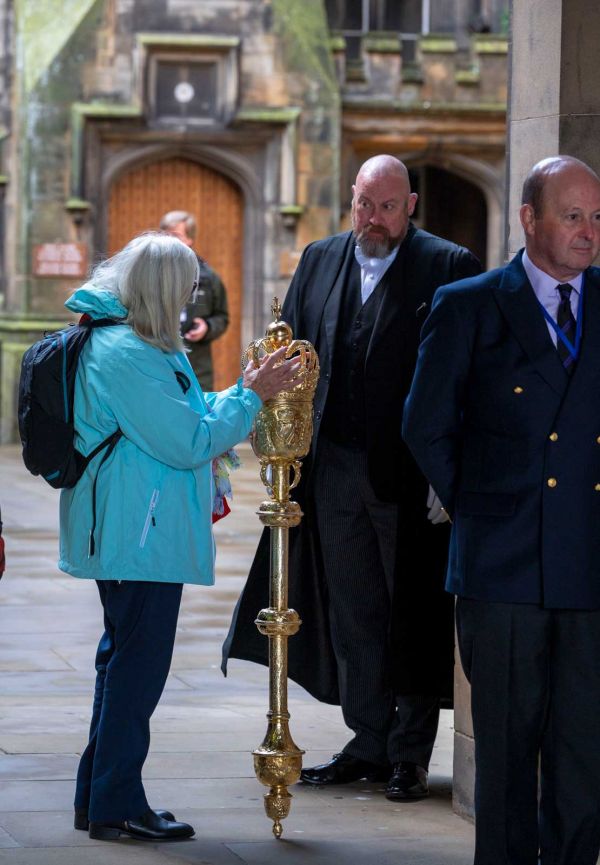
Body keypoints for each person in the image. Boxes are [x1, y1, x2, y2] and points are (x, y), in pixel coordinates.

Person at [223, 155, 481, 801]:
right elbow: (298, 350)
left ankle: (408, 754)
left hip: (407, 475)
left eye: (387, 206)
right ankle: (367, 738)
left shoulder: (448, 265)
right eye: (364, 204)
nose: (373, 218)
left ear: (411, 205)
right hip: (332, 470)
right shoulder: (319, 256)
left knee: (412, 612)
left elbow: (464, 380)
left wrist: (446, 472)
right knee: (354, 610)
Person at [59, 232, 299, 843]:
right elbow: (189, 441)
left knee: (122, 666)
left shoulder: (130, 343)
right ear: (164, 290)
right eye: (188, 287)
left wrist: (240, 388)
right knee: (135, 672)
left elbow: (181, 413)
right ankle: (116, 804)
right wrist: (252, 396)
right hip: (138, 534)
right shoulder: (126, 353)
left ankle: (102, 798)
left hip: (135, 528)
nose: (192, 299)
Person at [403, 155, 600, 863]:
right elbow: (425, 423)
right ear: (529, 218)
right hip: (501, 568)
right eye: (572, 216)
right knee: (510, 752)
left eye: (596, 218)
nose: (588, 233)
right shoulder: (470, 304)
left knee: (585, 754)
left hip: (589, 565)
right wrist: (480, 507)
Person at [159, 210, 229, 390]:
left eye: (176, 236)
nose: (169, 241)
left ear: (190, 239)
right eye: (165, 235)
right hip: (157, 359)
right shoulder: (150, 273)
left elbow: (222, 317)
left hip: (196, 365)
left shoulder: (208, 277)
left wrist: (207, 327)